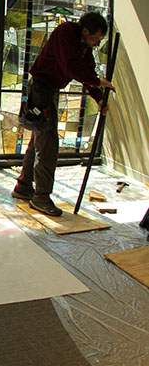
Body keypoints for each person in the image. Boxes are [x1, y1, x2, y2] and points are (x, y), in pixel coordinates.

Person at [12, 11, 114, 216]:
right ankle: (41, 198)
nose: (97, 44)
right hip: (41, 88)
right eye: (96, 39)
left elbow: (87, 71)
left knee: (39, 139)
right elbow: (71, 67)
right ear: (86, 30)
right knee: (48, 144)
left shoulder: (84, 46)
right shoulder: (65, 33)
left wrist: (99, 97)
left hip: (50, 90)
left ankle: (23, 185)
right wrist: (97, 82)